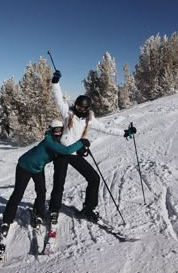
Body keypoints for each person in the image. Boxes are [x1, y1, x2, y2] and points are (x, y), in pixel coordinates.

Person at [49, 70, 137, 223]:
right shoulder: (68, 114)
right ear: (75, 105)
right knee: (59, 183)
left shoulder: (89, 120)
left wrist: (124, 132)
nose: (80, 110)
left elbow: (106, 128)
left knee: (94, 178)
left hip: (74, 153)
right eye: (78, 106)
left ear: (87, 109)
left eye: (83, 108)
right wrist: (55, 83)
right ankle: (54, 210)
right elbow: (58, 100)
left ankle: (88, 209)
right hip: (62, 152)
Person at [0, 120, 90, 236]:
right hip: (24, 167)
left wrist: (80, 150)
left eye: (61, 130)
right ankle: (7, 220)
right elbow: (66, 150)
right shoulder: (49, 140)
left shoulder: (58, 142)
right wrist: (81, 142)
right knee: (18, 193)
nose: (59, 132)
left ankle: (38, 214)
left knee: (41, 192)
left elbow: (66, 150)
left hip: (38, 169)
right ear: (51, 130)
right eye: (56, 130)